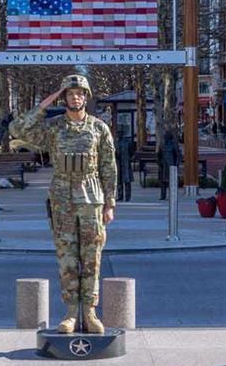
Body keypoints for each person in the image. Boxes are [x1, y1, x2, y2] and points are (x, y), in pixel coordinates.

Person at [9, 70, 118, 334]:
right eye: (70, 94)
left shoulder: (98, 128)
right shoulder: (54, 128)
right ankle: (71, 313)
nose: (76, 98)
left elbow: (109, 166)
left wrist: (110, 202)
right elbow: (17, 129)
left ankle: (90, 312)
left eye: (80, 93)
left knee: (91, 257)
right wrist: (45, 104)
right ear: (64, 98)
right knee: (66, 257)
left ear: (86, 97)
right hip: (62, 198)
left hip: (91, 196)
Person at [157, 124, 182, 200]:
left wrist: (176, 164)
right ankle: (163, 195)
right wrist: (159, 163)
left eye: (166, 136)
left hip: (171, 166)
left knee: (171, 182)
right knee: (163, 181)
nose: (165, 137)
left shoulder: (174, 145)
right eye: (165, 136)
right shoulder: (162, 145)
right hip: (163, 165)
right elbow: (159, 155)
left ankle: (172, 195)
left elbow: (178, 155)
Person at [114, 123, 136, 203]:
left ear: (122, 133)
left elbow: (132, 152)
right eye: (117, 133)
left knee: (127, 180)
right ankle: (120, 196)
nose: (118, 134)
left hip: (126, 163)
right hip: (118, 163)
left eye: (119, 133)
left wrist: (130, 159)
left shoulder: (127, 142)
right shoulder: (116, 142)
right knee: (119, 181)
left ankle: (127, 196)